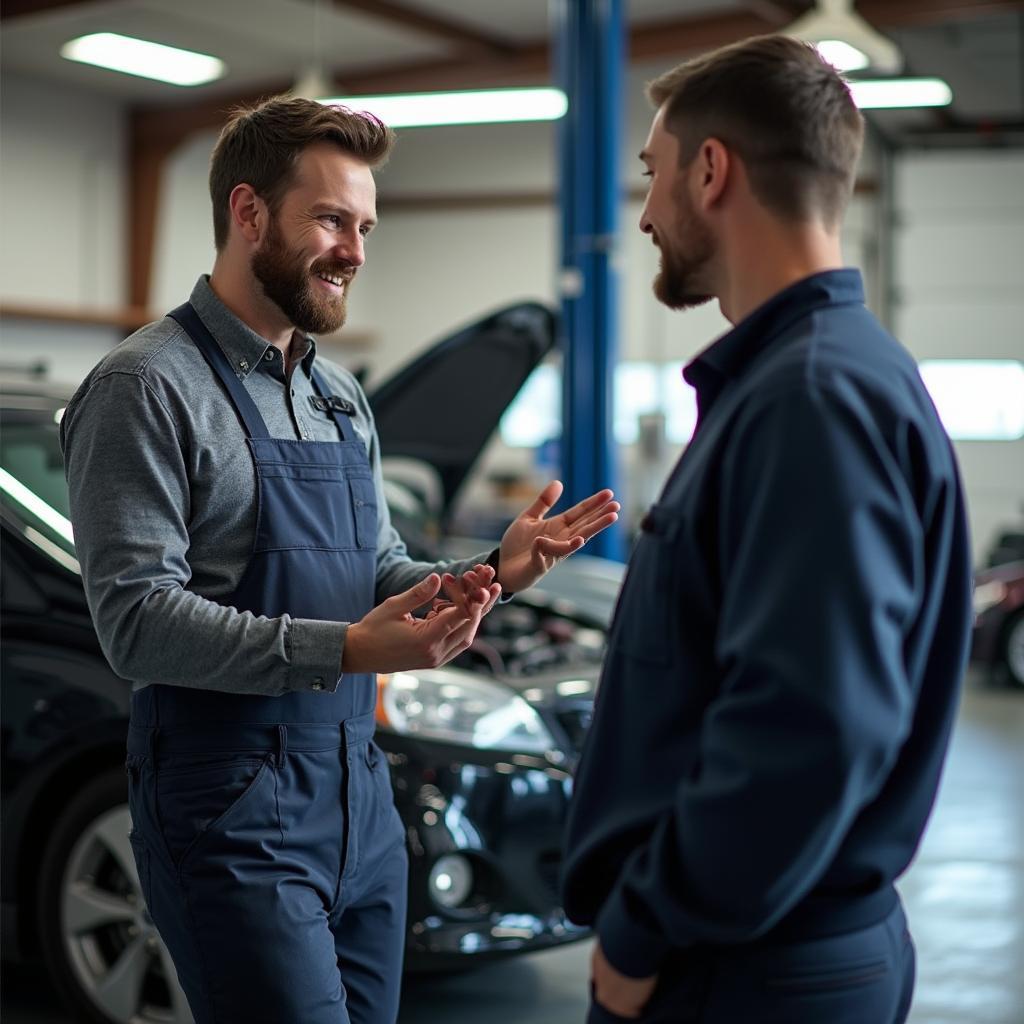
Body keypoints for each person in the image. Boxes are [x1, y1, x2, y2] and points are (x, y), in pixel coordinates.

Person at [60, 95, 618, 1024]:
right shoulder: (146, 388)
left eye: (364, 225)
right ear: (248, 213)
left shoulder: (337, 396)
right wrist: (348, 653)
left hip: (361, 794)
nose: (355, 249)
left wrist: (491, 574)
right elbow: (136, 622)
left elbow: (376, 566)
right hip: (229, 807)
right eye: (329, 219)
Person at [562, 34, 972, 1024]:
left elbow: (807, 727)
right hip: (758, 954)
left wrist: (641, 928)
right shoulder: (814, 378)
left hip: (741, 970)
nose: (648, 212)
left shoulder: (811, 398)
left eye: (654, 174)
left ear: (712, 171)